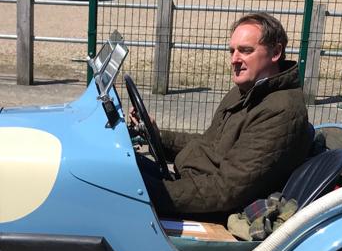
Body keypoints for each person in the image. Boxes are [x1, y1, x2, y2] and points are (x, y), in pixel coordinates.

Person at [133, 12, 312, 219]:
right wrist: (156, 136)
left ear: (275, 52)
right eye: (232, 51)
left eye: (246, 51)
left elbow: (227, 190)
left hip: (216, 210)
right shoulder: (245, 91)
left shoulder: (281, 111)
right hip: (194, 184)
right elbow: (209, 144)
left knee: (115, 190)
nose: (235, 59)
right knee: (119, 170)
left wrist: (152, 192)